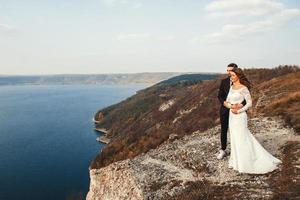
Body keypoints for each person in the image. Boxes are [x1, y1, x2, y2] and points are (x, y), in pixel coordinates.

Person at [225, 67, 282, 174]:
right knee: (234, 138)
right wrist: (231, 106)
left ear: (238, 76)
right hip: (231, 117)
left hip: (240, 116)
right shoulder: (232, 87)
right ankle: (236, 162)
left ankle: (247, 163)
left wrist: (239, 110)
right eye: (230, 75)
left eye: (232, 75)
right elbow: (227, 101)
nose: (231, 77)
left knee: (242, 138)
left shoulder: (244, 88)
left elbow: (249, 103)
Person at [217, 63, 245, 159]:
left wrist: (240, 105)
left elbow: (247, 98)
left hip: (238, 111)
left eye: (230, 70)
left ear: (236, 71)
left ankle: (238, 150)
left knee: (237, 130)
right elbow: (220, 96)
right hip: (225, 110)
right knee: (224, 130)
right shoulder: (224, 81)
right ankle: (223, 150)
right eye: (227, 70)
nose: (228, 72)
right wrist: (225, 103)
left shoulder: (242, 83)